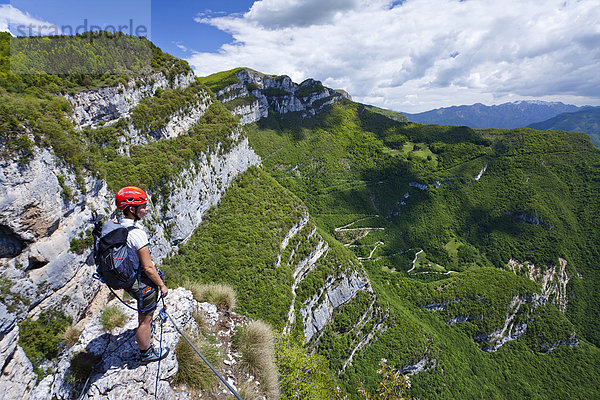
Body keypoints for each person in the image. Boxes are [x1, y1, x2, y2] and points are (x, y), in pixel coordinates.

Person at [109, 186, 170, 364]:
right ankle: (146, 353)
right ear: (131, 209)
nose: (147, 208)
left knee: (144, 314)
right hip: (136, 279)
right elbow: (149, 268)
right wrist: (161, 286)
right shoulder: (136, 234)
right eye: (143, 206)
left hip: (124, 276)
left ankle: (144, 337)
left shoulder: (117, 225)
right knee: (145, 320)